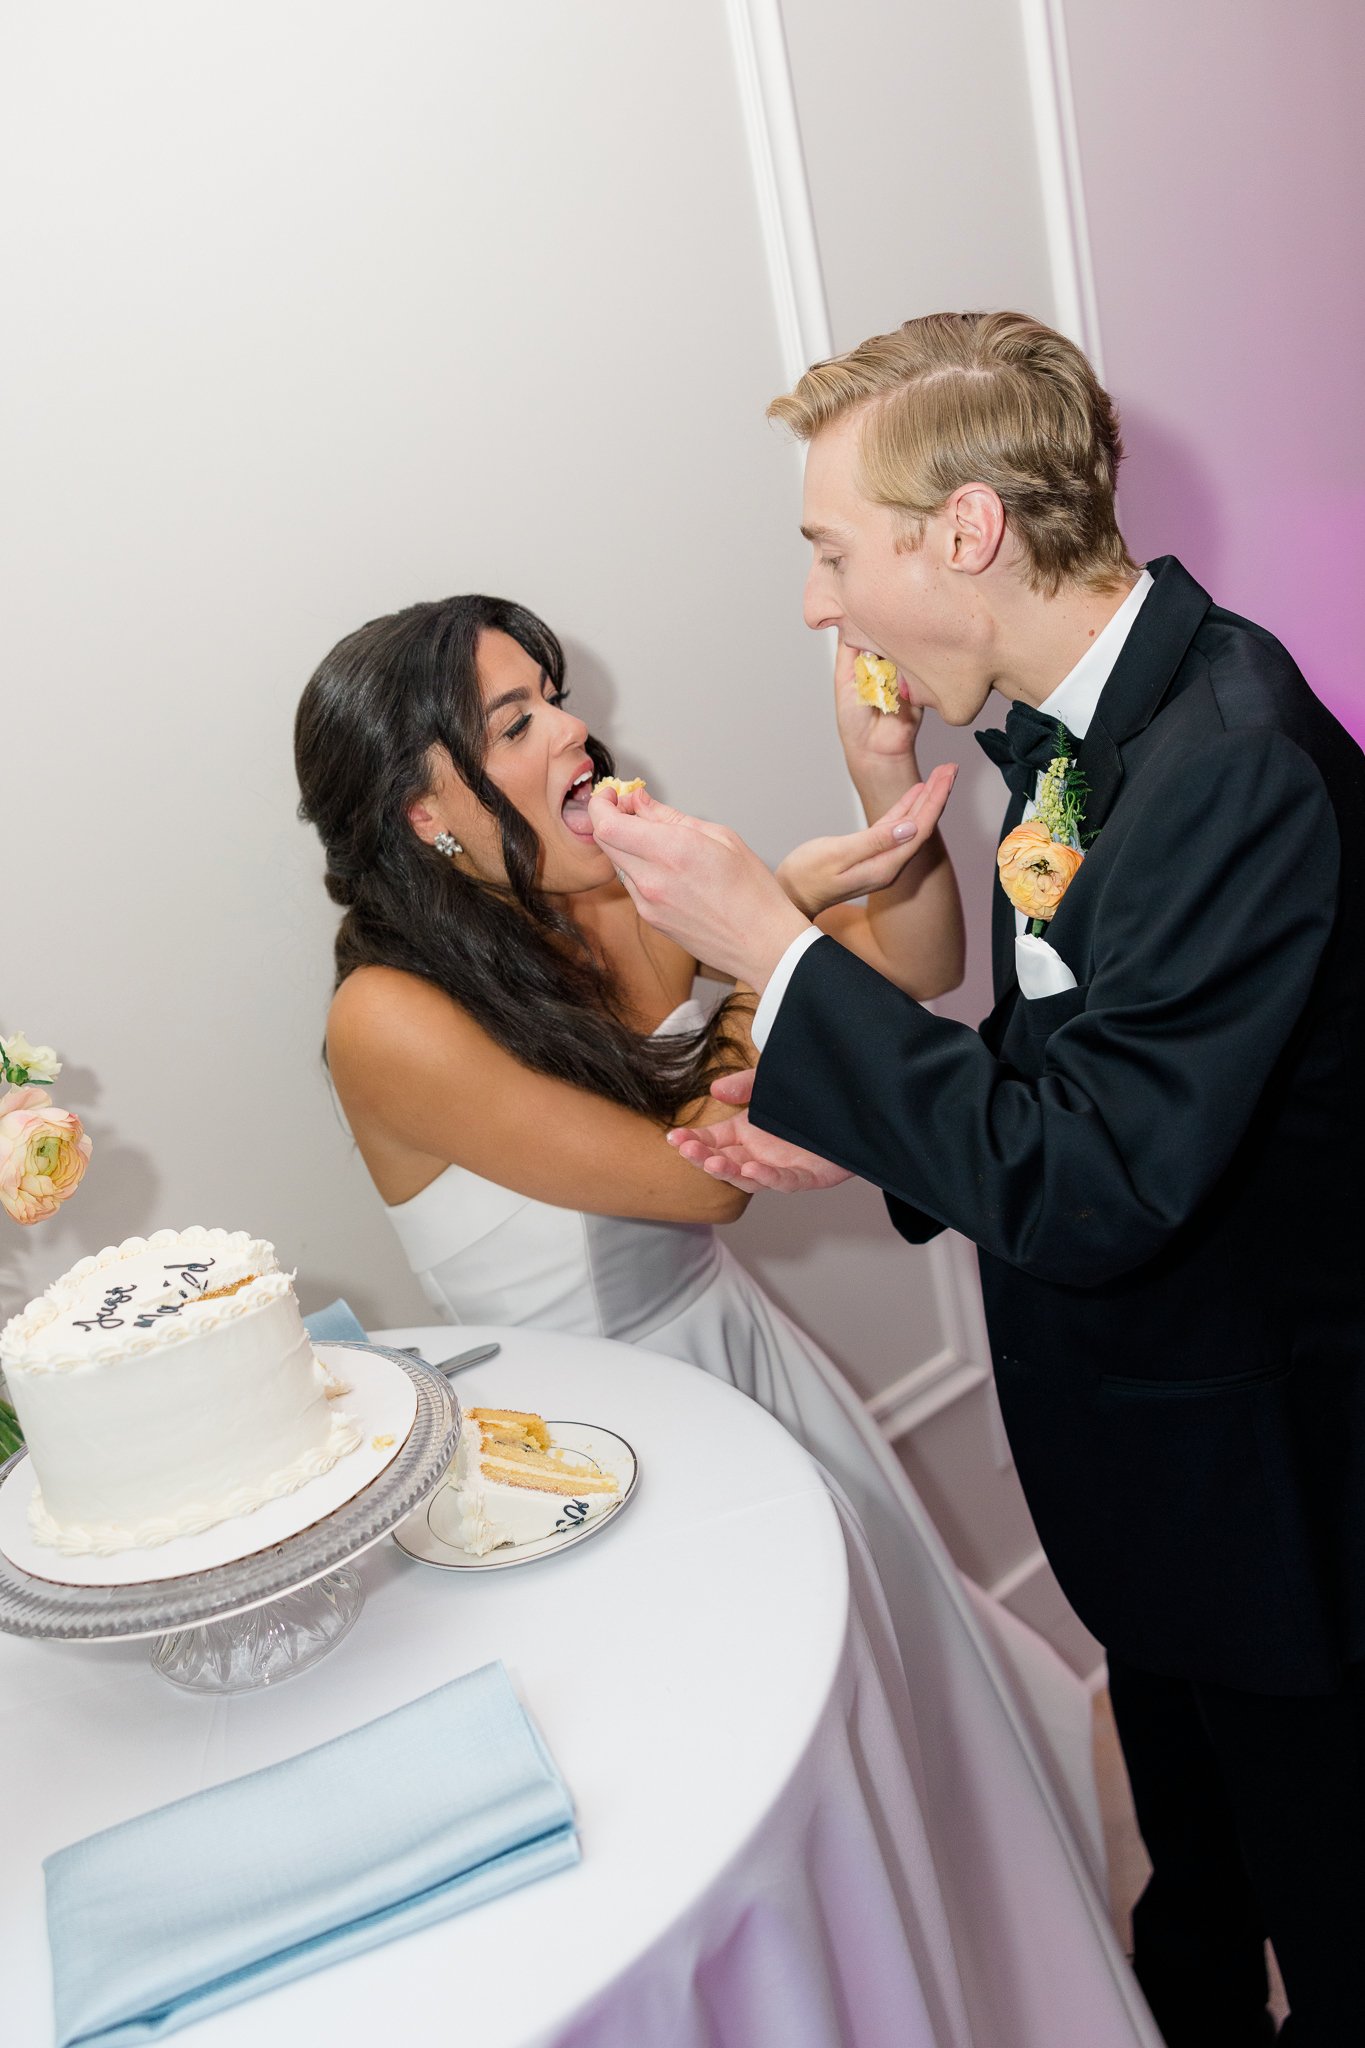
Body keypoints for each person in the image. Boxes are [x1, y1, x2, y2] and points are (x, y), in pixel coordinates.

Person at [591, 310, 1365, 2048]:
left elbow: (1096, 1175)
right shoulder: (1077, 731)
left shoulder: (1225, 758)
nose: (815, 603)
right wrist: (853, 1117)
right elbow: (1083, 1059)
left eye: (828, 550)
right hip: (1152, 1475)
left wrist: (773, 952)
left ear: (965, 532)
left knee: (1327, 1911)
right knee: (1195, 1869)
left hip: (1277, 1499)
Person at [294, 593, 1159, 2047]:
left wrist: (872, 799)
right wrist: (777, 948)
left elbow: (917, 969)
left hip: (752, 1371)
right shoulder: (383, 1019)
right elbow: (691, 1184)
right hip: (587, 1457)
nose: (574, 730)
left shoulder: (614, 889)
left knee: (907, 1745)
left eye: (553, 696)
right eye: (515, 724)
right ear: (423, 812)